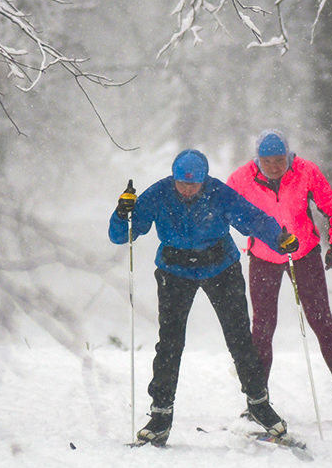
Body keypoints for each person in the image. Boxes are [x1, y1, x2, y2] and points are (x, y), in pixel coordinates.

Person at [110, 149, 300, 446]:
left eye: (194, 184)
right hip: (175, 270)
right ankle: (160, 414)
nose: (187, 189)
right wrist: (123, 213)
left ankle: (259, 404)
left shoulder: (218, 193)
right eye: (182, 183)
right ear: (173, 178)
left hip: (220, 267)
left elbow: (252, 219)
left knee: (239, 337)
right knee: (170, 342)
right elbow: (123, 235)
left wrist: (278, 238)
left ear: (204, 180)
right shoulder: (159, 193)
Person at [226, 129, 332, 420]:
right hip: (263, 257)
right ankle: (257, 402)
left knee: (321, 321)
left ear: (289, 155)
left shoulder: (306, 171)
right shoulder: (240, 179)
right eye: (267, 161)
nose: (274, 167)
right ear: (256, 160)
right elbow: (225, 211)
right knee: (262, 329)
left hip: (304, 254)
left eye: (280, 160)